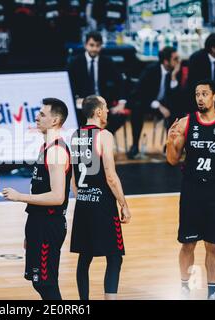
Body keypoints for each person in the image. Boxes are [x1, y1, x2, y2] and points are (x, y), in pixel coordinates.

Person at [166, 80, 215, 300]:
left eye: (204, 94)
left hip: (214, 191)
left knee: (213, 245)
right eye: (196, 94)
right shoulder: (185, 123)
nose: (199, 98)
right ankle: (185, 286)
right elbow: (172, 160)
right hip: (191, 190)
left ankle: (212, 292)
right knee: (188, 244)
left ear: (214, 97)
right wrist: (170, 141)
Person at [2, 98, 71, 300]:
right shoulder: (45, 148)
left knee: (46, 284)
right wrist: (30, 231)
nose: (36, 117)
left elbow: (58, 197)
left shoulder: (57, 151)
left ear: (55, 120)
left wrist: (19, 197)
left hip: (48, 225)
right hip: (38, 223)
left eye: (42, 114)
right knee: (38, 282)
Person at [70, 95, 131, 300]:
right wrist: (123, 204)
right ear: (97, 112)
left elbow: (73, 178)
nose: (107, 111)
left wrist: (83, 197)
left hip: (83, 204)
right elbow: (110, 176)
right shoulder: (104, 136)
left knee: (84, 258)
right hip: (103, 205)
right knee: (114, 257)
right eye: (105, 107)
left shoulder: (75, 135)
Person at [127, 46, 183, 159]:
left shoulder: (177, 71)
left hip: (166, 104)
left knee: (178, 110)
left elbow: (177, 97)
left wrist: (173, 78)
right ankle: (135, 146)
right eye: (175, 59)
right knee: (137, 108)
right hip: (148, 102)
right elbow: (140, 92)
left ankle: (169, 146)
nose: (178, 62)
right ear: (166, 61)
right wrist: (158, 106)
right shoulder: (151, 70)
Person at [68, 31, 127, 133]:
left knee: (119, 116)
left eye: (98, 46)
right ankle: (88, 142)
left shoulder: (107, 62)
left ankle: (102, 137)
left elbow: (120, 82)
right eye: (91, 45)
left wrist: (121, 102)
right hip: (82, 103)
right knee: (76, 117)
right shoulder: (75, 62)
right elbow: (68, 84)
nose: (94, 49)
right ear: (85, 45)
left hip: (103, 103)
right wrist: (76, 99)